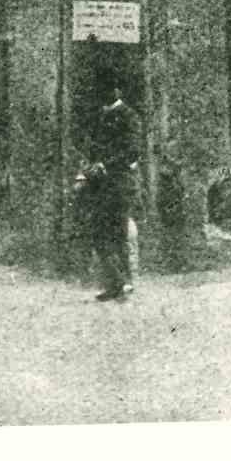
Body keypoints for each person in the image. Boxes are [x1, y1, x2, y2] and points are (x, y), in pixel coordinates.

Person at [85, 85, 142, 301]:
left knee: (111, 232)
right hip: (105, 184)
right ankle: (119, 282)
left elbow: (133, 151)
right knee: (108, 233)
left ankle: (121, 283)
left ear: (117, 91)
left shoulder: (128, 116)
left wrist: (105, 164)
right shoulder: (103, 116)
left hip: (120, 183)